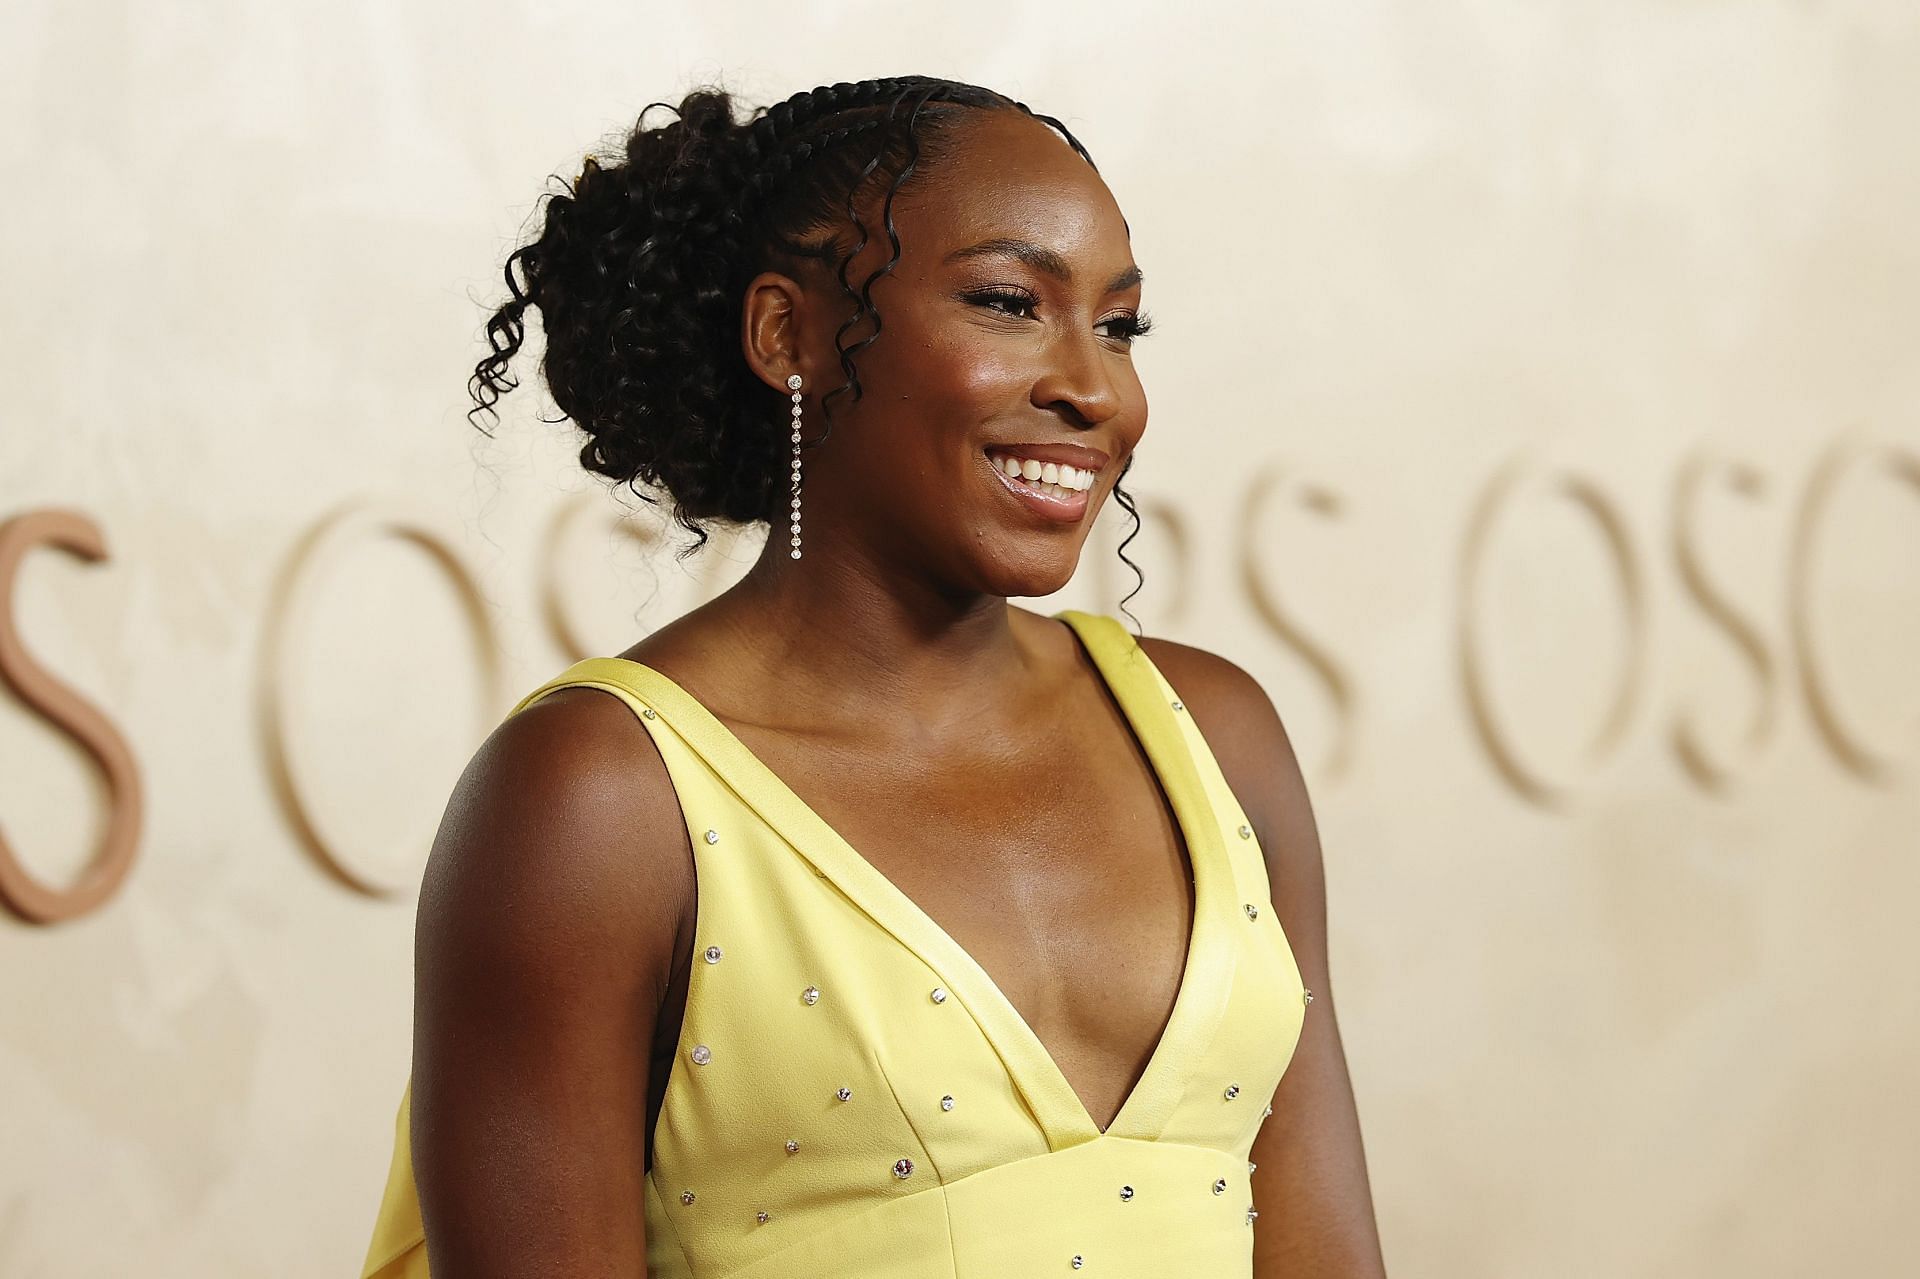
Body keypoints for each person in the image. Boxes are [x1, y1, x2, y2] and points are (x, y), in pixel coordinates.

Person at [360, 75, 1387, 1278]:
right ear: (787, 335)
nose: (1096, 390)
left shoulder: (1219, 734)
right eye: (1011, 303)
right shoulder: (595, 798)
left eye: (1119, 326)